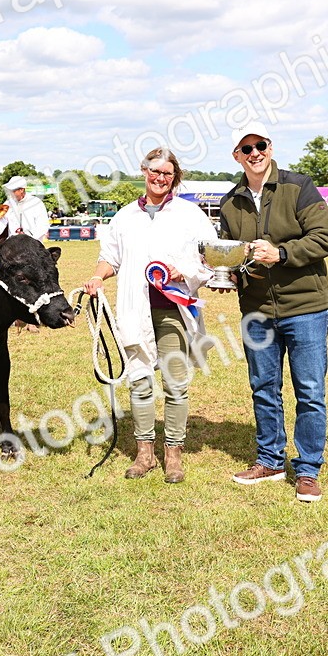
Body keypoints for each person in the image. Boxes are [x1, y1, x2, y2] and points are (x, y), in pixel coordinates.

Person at [219, 121, 328, 503]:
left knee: (310, 390)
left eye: (260, 146)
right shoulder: (229, 201)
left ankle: (307, 469)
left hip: (305, 307)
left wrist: (281, 253)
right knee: (263, 389)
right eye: (246, 149)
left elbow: (324, 238)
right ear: (236, 156)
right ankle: (269, 460)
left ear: (270, 147)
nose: (255, 154)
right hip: (255, 310)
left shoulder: (298, 186)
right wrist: (227, 273)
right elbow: (230, 252)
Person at [83, 148, 217, 483]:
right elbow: (109, 257)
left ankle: (173, 454)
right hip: (134, 309)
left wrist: (180, 269)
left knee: (175, 382)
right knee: (140, 381)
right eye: (154, 172)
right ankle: (145, 454)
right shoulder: (125, 217)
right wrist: (98, 276)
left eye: (167, 174)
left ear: (175, 177)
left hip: (174, 310)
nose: (160, 178)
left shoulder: (190, 214)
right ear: (144, 171)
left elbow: (209, 256)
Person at [0, 176, 49, 241]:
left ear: (21, 190)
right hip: (12, 244)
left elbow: (43, 226)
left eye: (13, 191)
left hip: (33, 245)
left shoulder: (36, 203)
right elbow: (1, 222)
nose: (10, 193)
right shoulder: (7, 204)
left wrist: (29, 237)